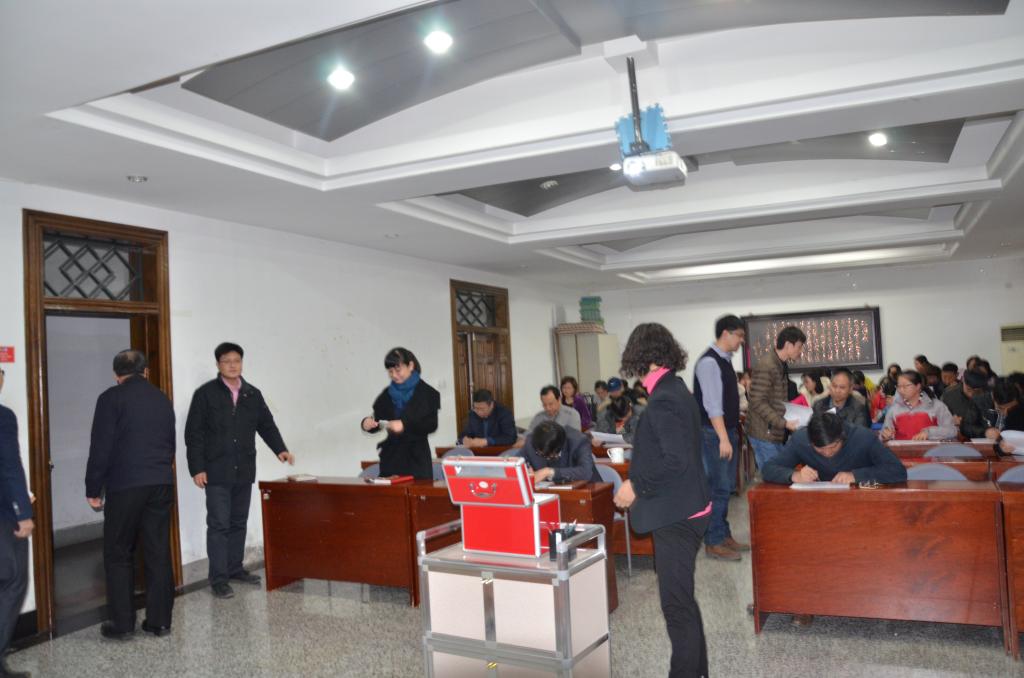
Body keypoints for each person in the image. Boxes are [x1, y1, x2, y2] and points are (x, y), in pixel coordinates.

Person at [612, 323, 710, 678]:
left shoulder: (664, 399)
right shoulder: (675, 388)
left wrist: (635, 485)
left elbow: (676, 460)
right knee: (683, 603)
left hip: (677, 515)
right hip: (686, 507)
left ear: (642, 357)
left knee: (676, 607)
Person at [762, 411, 907, 628]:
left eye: (833, 447)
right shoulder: (801, 440)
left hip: (864, 509)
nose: (828, 454)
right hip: (821, 513)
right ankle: (802, 602)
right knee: (797, 542)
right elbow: (768, 468)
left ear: (842, 437)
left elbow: (898, 472)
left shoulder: (863, 438)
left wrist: (856, 476)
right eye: (821, 450)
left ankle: (865, 598)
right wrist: (794, 475)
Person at [186, 342, 295, 600]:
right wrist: (197, 468)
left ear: (242, 363)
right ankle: (218, 579)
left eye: (237, 360)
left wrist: (280, 449)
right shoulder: (205, 394)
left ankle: (235, 569)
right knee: (219, 524)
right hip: (216, 471)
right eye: (227, 361)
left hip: (243, 469)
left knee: (238, 522)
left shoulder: (252, 394)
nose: (232, 365)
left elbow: (266, 425)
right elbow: (194, 434)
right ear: (218, 365)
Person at [85, 350, 176, 640]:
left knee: (118, 552)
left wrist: (93, 488)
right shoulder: (162, 398)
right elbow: (170, 443)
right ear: (145, 371)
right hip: (161, 482)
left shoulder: (110, 398)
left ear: (116, 374)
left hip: (125, 485)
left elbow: (101, 447)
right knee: (158, 551)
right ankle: (159, 622)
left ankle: (122, 624)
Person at [693, 314, 748, 562]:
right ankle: (713, 542)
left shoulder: (724, 361)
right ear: (726, 333)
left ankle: (723, 534)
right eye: (740, 336)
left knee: (725, 487)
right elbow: (713, 405)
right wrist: (724, 438)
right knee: (718, 488)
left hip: (726, 433)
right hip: (714, 435)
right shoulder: (709, 362)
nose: (741, 341)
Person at [361, 347, 440, 479]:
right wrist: (367, 423)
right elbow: (378, 420)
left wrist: (404, 425)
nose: (394, 375)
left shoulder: (427, 393)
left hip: (417, 460)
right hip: (391, 460)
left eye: (398, 370)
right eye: (390, 371)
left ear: (410, 366)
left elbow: (431, 425)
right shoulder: (387, 394)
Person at [0, 368, 33, 678]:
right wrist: (23, 512)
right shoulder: (3, 416)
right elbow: (10, 466)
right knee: (13, 580)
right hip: (4, 516)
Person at [747, 326, 805, 469]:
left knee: (777, 472)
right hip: (764, 433)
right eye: (799, 347)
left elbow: (777, 399)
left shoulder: (780, 364)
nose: (800, 351)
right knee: (773, 475)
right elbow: (757, 401)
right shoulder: (767, 365)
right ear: (788, 345)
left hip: (774, 432)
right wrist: (783, 423)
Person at [881, 370, 957, 441]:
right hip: (901, 451)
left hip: (932, 450)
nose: (901, 390)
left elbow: (952, 431)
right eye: (898, 386)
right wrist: (885, 435)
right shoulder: (893, 409)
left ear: (918, 386)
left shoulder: (937, 406)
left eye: (905, 386)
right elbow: (883, 433)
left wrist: (929, 432)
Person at [518, 421, 600, 484]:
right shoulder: (531, 442)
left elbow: (586, 472)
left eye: (551, 456)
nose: (547, 458)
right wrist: (526, 472)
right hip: (548, 493)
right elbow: (516, 463)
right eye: (540, 454)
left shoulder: (578, 441)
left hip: (588, 491)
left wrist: (548, 472)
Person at [942, 369, 989, 435]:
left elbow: (990, 424)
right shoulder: (948, 396)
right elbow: (941, 420)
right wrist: (950, 420)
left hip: (984, 437)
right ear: (963, 380)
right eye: (968, 389)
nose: (971, 395)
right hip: (957, 436)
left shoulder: (988, 396)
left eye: (977, 392)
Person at [993, 379, 1024, 455]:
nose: (1006, 412)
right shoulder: (983, 401)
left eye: (1010, 408)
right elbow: (999, 442)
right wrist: (1001, 447)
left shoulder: (1019, 410)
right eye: (1001, 408)